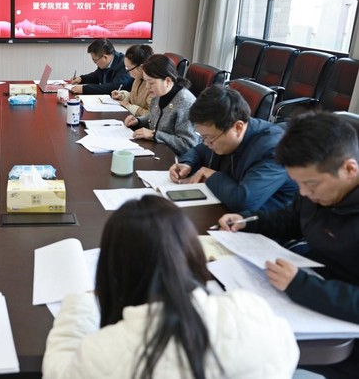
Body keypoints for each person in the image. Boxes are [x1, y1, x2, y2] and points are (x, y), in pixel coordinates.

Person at [42, 195, 299, 379]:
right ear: (192, 253)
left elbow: (57, 370)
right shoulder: (251, 313)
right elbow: (285, 355)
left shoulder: (103, 351)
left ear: (115, 269)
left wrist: (81, 304)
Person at [218, 112, 359, 378]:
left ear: (349, 169)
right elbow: (291, 220)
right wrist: (249, 221)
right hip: (311, 291)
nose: (303, 192)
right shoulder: (316, 193)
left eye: (311, 184)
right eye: (298, 184)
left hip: (341, 335)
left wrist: (300, 285)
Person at [169, 85, 297, 213]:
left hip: (265, 220)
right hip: (224, 210)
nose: (206, 143)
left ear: (238, 128)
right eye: (203, 137)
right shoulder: (223, 133)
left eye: (209, 137)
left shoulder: (273, 149)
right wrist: (187, 164)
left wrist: (212, 175)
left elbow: (243, 201)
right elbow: (199, 151)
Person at [124, 54, 199, 155]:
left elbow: (188, 144)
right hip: (157, 149)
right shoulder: (159, 93)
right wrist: (138, 121)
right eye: (145, 81)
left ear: (167, 81)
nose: (147, 86)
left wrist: (154, 135)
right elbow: (155, 116)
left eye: (151, 83)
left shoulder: (185, 102)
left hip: (174, 159)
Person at [110, 44, 154, 116]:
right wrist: (122, 96)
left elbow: (152, 115)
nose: (127, 71)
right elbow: (135, 97)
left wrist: (129, 106)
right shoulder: (138, 79)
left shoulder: (153, 85)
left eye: (128, 68)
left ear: (141, 67)